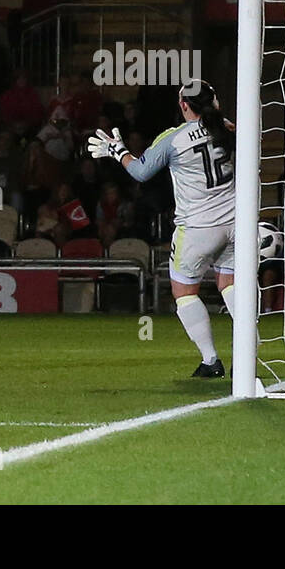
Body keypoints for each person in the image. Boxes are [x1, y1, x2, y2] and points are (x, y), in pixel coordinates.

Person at [88, 78, 235, 377]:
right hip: (235, 223)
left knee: (184, 291)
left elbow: (141, 172)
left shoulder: (174, 138)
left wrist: (118, 152)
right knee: (231, 286)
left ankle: (211, 361)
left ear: (183, 105)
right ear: (215, 101)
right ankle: (249, 354)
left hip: (197, 229)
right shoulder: (231, 129)